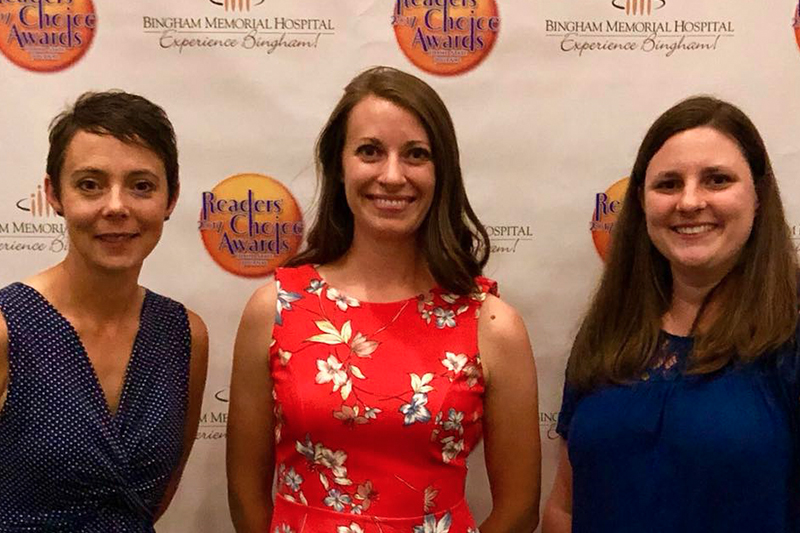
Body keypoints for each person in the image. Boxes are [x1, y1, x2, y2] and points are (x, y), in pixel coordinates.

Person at [227, 66, 540, 533]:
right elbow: (246, 495)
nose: (392, 176)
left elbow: (519, 511)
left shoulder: (490, 323)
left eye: (415, 154)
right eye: (370, 152)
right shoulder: (275, 309)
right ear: (339, 165)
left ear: (442, 172)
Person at [543, 96, 800, 533]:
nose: (690, 201)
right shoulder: (609, 329)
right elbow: (564, 507)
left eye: (717, 180)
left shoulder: (791, 330)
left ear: (758, 196)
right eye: (668, 184)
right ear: (642, 203)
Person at [0, 91, 209, 531]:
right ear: (54, 194)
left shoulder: (183, 334)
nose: (116, 206)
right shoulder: (6, 328)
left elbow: (157, 497)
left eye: (141, 185)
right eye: (90, 184)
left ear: (170, 200)